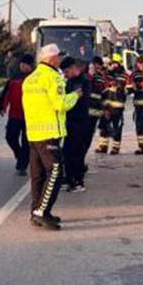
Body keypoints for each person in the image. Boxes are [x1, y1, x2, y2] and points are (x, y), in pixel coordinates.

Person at [22, 44, 81, 230]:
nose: (60, 60)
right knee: (55, 172)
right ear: (51, 59)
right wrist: (75, 96)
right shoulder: (53, 77)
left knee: (38, 175)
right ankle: (42, 211)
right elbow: (60, 104)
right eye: (58, 56)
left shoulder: (30, 79)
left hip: (34, 133)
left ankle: (37, 211)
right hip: (49, 134)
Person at [61, 57, 94, 192]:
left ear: (73, 68)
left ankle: (78, 181)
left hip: (80, 122)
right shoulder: (69, 82)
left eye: (66, 72)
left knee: (77, 152)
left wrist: (72, 99)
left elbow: (82, 102)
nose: (65, 75)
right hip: (69, 121)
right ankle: (68, 178)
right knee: (67, 151)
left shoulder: (84, 82)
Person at [0, 54, 34, 175]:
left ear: (30, 65)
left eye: (25, 64)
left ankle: (22, 165)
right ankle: (19, 155)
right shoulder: (14, 78)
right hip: (15, 114)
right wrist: (2, 107)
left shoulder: (35, 79)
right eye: (21, 64)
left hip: (30, 116)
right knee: (10, 137)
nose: (22, 66)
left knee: (26, 142)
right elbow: (5, 94)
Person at [96, 58, 127, 154]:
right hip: (106, 106)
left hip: (118, 107)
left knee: (117, 127)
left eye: (115, 64)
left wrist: (121, 89)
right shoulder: (105, 75)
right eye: (111, 64)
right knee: (104, 126)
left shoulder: (124, 76)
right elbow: (101, 89)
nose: (113, 66)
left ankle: (115, 147)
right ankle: (103, 146)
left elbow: (129, 88)